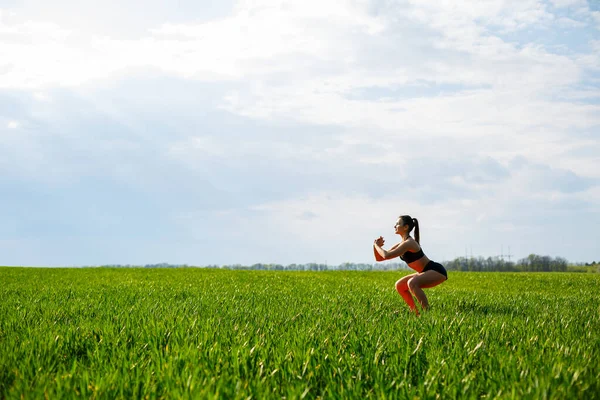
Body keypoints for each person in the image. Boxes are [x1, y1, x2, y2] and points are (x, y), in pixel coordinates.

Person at [373, 215, 447, 314]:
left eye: (397, 224)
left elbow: (386, 255)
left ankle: (427, 314)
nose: (395, 226)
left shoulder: (409, 243)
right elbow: (380, 258)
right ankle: (416, 313)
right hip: (424, 271)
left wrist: (377, 246)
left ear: (406, 227)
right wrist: (375, 246)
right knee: (399, 285)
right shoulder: (402, 244)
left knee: (412, 283)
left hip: (436, 271)